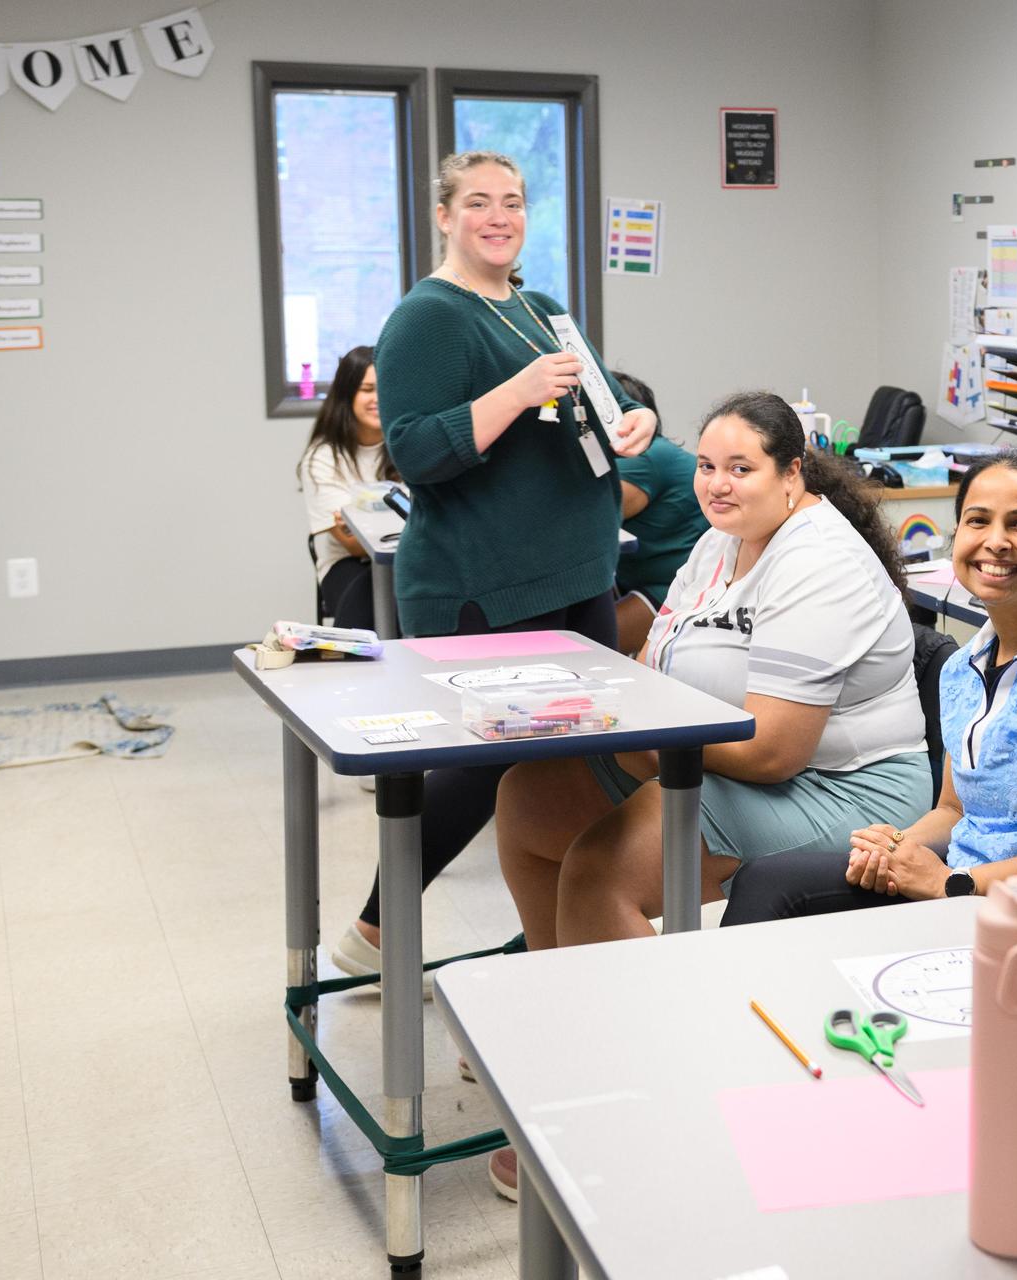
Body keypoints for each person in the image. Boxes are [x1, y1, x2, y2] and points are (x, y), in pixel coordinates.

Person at [485, 390, 932, 1197]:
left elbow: (775, 750)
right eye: (706, 467)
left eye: (742, 468)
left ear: (793, 475)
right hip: (707, 751)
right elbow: (657, 664)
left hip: (845, 790)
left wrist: (651, 746)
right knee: (527, 799)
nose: (718, 485)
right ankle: (572, 1043)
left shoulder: (819, 560)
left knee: (601, 869)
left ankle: (660, 1095)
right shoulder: (720, 544)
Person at [329, 150, 655, 983]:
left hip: (577, 575)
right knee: (480, 769)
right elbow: (415, 450)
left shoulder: (540, 306)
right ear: (445, 216)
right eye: (479, 202)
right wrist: (516, 391)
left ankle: (556, 940)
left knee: (563, 774)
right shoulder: (427, 318)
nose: (499, 216)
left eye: (512, 201)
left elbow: (602, 403)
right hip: (485, 588)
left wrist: (638, 419)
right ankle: (373, 931)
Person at [723, 451, 1017, 930]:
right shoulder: (961, 668)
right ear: (958, 536)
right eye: (978, 521)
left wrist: (954, 883)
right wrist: (897, 849)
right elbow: (954, 809)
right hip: (961, 892)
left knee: (782, 900)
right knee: (766, 883)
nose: (995, 542)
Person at [610, 371, 711, 656]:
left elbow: (589, 518)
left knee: (588, 647)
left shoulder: (647, 459)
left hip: (669, 587)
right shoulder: (655, 454)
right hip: (640, 577)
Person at [298, 346, 397, 630]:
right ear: (347, 394)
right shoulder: (323, 459)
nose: (377, 399)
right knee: (372, 591)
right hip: (348, 564)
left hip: (406, 560)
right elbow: (353, 545)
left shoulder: (406, 446)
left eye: (385, 388)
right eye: (367, 389)